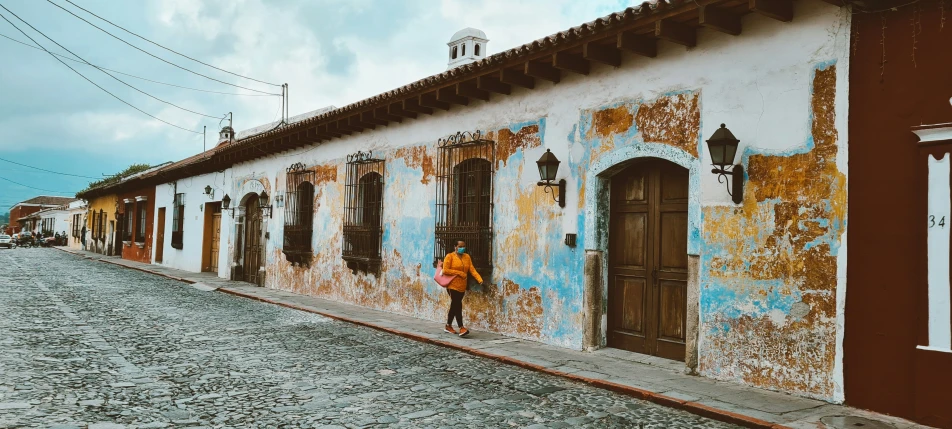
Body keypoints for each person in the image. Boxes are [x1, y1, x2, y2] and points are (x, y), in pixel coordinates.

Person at [441, 240, 483, 337]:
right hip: (452, 285)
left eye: (464, 246)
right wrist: (459, 273)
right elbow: (445, 270)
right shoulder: (450, 256)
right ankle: (461, 327)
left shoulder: (467, 257)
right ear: (455, 247)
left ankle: (448, 325)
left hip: (462, 286)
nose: (462, 248)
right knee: (457, 305)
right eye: (460, 246)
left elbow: (471, 269)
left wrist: (479, 279)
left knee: (454, 305)